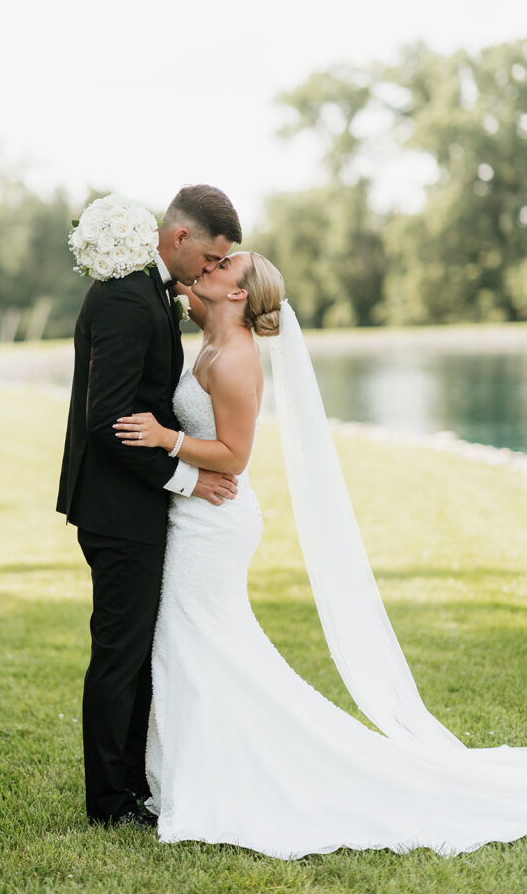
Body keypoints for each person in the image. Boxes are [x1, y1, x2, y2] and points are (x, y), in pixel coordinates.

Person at [114, 250, 527, 859]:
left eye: (224, 264)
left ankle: (218, 773)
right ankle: (199, 766)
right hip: (193, 513)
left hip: (214, 523)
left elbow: (235, 455)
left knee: (196, 642)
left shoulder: (235, 358)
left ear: (239, 293)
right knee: (193, 644)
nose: (211, 264)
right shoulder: (211, 333)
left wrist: (165, 437)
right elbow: (181, 291)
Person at [56, 184, 242, 827]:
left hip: (132, 503)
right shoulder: (126, 297)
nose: (210, 271)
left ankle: (134, 783)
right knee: (120, 653)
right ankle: (110, 804)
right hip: (117, 507)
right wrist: (187, 478)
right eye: (210, 258)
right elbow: (107, 419)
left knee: (137, 651)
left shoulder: (154, 290)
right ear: (181, 237)